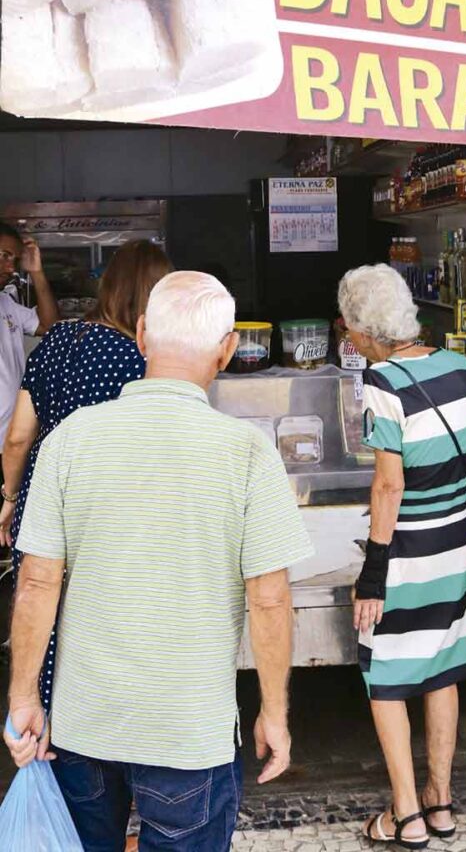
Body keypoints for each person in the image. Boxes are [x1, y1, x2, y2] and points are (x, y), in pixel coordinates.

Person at [3, 271, 313, 851]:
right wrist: (274, 713)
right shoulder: (246, 452)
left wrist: (23, 698)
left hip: (85, 727)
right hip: (188, 737)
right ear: (225, 349)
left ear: (142, 334)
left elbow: (37, 581)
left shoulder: (69, 439)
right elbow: (269, 599)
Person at [338, 264, 466, 849]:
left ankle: (407, 814)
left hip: (407, 552)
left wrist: (372, 573)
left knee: (385, 673)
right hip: (457, 544)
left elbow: (388, 488)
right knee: (442, 667)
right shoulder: (459, 367)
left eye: (349, 326)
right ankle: (442, 804)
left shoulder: (383, 382)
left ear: (364, 329)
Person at [0, 239, 172, 714]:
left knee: (41, 609)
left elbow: (18, 437)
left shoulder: (58, 341)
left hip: (45, 498)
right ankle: (105, 722)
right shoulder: (143, 362)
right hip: (110, 510)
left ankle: (47, 715)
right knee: (103, 619)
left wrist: (11, 495)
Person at [0, 221, 59, 463]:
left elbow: (50, 325)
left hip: (11, 441)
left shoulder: (6, 304)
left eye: (14, 259)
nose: (10, 267)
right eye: (4, 256)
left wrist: (36, 271)